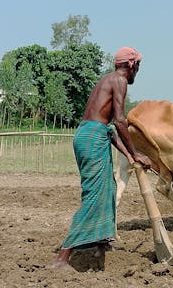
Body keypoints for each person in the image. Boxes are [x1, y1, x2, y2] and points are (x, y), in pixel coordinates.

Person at [52, 46, 152, 268]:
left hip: (94, 134)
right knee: (95, 195)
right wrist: (136, 153)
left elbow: (108, 129)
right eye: (139, 66)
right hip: (92, 139)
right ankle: (63, 256)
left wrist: (131, 155)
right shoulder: (120, 81)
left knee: (108, 188)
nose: (138, 72)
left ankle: (102, 243)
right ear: (131, 65)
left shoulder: (107, 80)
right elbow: (119, 120)